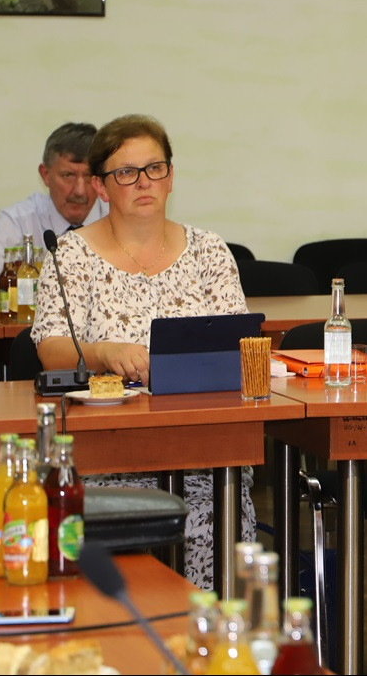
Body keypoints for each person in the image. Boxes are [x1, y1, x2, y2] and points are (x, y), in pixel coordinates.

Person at [31, 113, 254, 590]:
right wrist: (104, 352)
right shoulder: (70, 254)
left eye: (154, 168)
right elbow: (51, 349)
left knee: (222, 514)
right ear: (101, 187)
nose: (144, 182)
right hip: (108, 455)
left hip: (204, 454)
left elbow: (237, 343)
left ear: (170, 177)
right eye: (126, 173)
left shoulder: (210, 251)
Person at [0, 122, 107, 306]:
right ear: (45, 175)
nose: (80, 191)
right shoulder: (18, 220)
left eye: (89, 177)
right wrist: (39, 296)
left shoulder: (118, 218)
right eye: (68, 175)